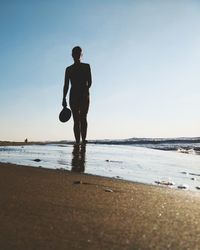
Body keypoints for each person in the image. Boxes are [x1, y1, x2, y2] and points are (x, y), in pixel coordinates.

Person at [62, 46, 92, 144]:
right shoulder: (68, 69)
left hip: (84, 95)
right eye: (75, 53)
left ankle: (83, 140)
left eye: (78, 53)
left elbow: (90, 82)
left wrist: (85, 92)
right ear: (72, 55)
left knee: (83, 118)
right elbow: (66, 85)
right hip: (74, 95)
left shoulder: (87, 66)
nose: (77, 55)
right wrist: (63, 98)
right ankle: (78, 141)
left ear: (81, 54)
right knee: (76, 119)